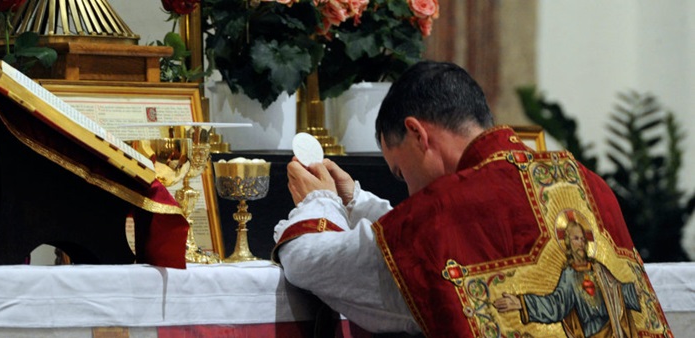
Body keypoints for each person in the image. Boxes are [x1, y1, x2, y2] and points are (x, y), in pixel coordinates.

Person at [272, 61, 669, 337]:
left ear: (417, 134)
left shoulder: (445, 211)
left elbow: (310, 262)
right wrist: (356, 201)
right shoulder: (585, 185)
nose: (407, 188)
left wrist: (319, 204)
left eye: (399, 171)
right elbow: (458, 238)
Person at [493, 220, 641, 337]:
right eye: (576, 239)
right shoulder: (569, 275)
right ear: (568, 242)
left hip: (613, 331)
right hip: (592, 333)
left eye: (583, 239)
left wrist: (634, 290)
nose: (581, 243)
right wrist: (522, 303)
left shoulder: (598, 269)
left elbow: (618, 290)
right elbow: (556, 305)